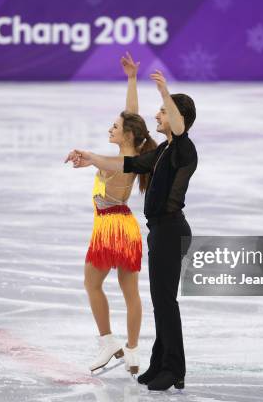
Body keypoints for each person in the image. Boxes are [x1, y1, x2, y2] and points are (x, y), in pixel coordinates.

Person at [66, 55, 197, 391]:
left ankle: (169, 366)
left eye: (164, 112)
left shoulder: (181, 148)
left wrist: (164, 90)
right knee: (153, 298)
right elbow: (132, 134)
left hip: (154, 229)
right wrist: (90, 156)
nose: (157, 115)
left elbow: (156, 126)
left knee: (160, 300)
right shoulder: (160, 150)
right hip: (151, 231)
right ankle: (152, 359)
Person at [65, 52, 157, 375]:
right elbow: (132, 116)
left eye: (115, 127)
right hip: (126, 228)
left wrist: (87, 155)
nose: (111, 128)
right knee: (129, 292)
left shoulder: (124, 160)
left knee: (92, 284)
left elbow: (106, 162)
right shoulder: (132, 149)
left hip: (111, 229)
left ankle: (108, 341)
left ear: (127, 136)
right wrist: (132, 79)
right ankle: (131, 351)